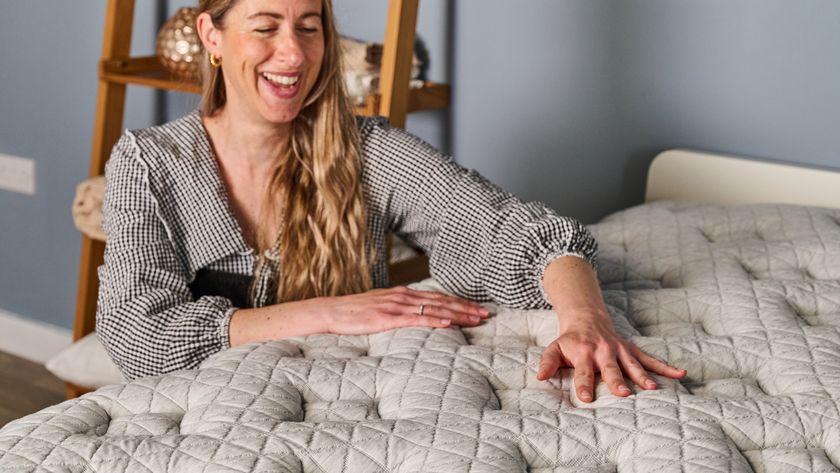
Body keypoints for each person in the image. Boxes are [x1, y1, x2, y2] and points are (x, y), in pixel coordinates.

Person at [96, 0, 686, 403]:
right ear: (212, 37)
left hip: (351, 408)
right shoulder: (148, 163)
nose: (294, 54)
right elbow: (133, 333)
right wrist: (327, 311)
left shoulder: (367, 150)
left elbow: (519, 232)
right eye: (266, 26)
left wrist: (585, 319)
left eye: (309, 26)